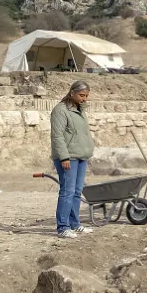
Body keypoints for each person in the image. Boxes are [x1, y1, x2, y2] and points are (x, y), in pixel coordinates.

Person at [50, 81, 95, 239]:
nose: (84, 99)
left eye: (86, 96)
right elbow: (57, 136)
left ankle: (75, 224)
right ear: (72, 93)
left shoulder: (80, 110)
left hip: (81, 156)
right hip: (68, 158)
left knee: (76, 192)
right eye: (82, 95)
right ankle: (63, 227)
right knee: (67, 192)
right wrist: (64, 157)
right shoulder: (60, 111)